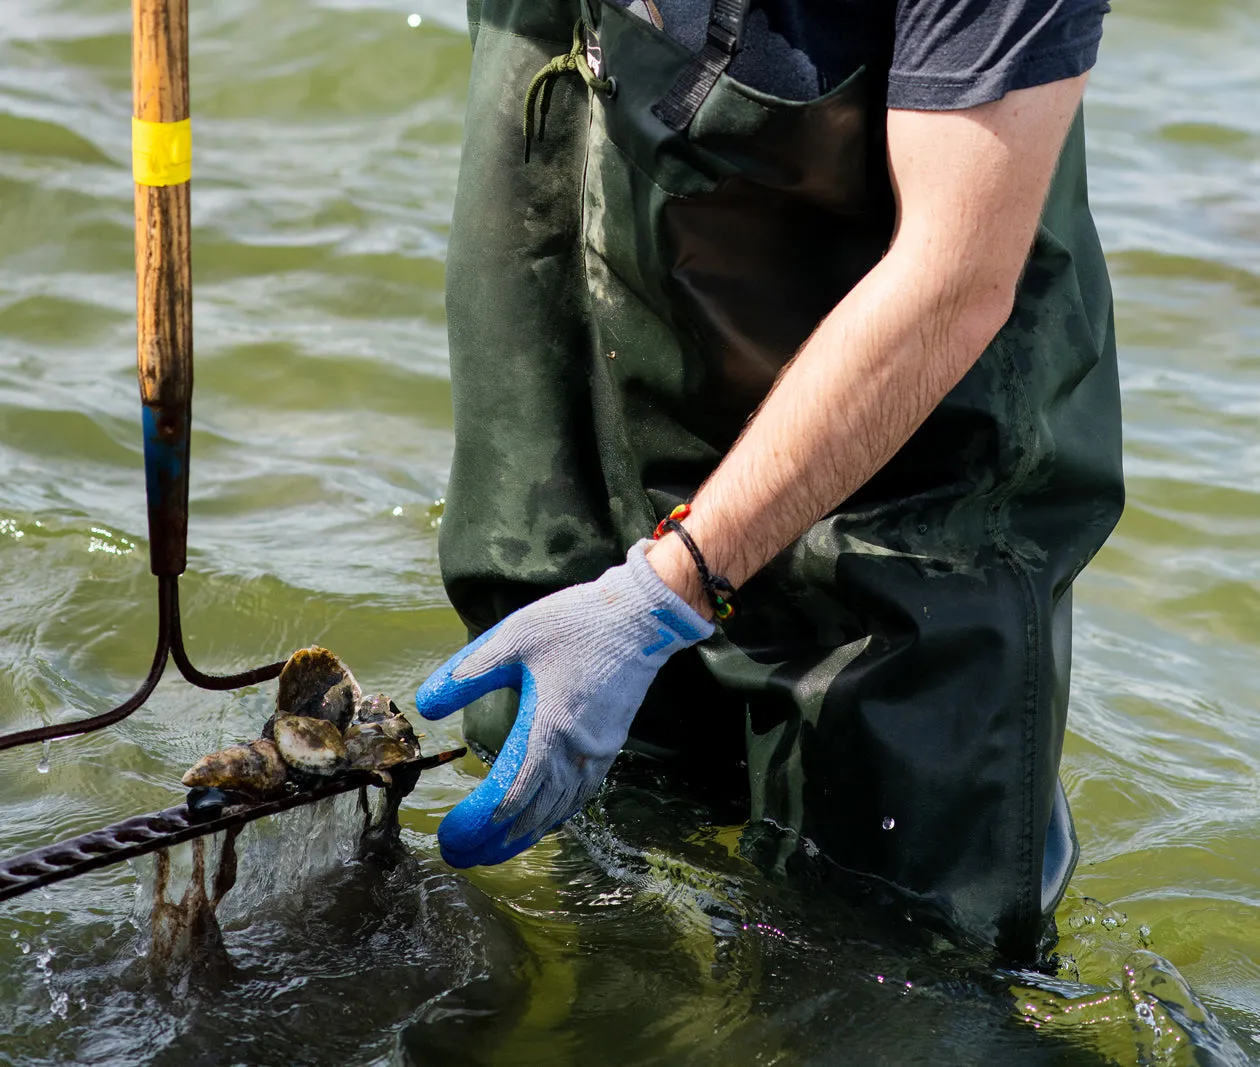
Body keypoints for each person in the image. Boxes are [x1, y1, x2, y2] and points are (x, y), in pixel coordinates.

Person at [414, 0, 1123, 961]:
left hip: (895, 522)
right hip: (595, 451)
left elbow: (954, 278)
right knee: (582, 936)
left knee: (881, 969)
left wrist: (657, 594)